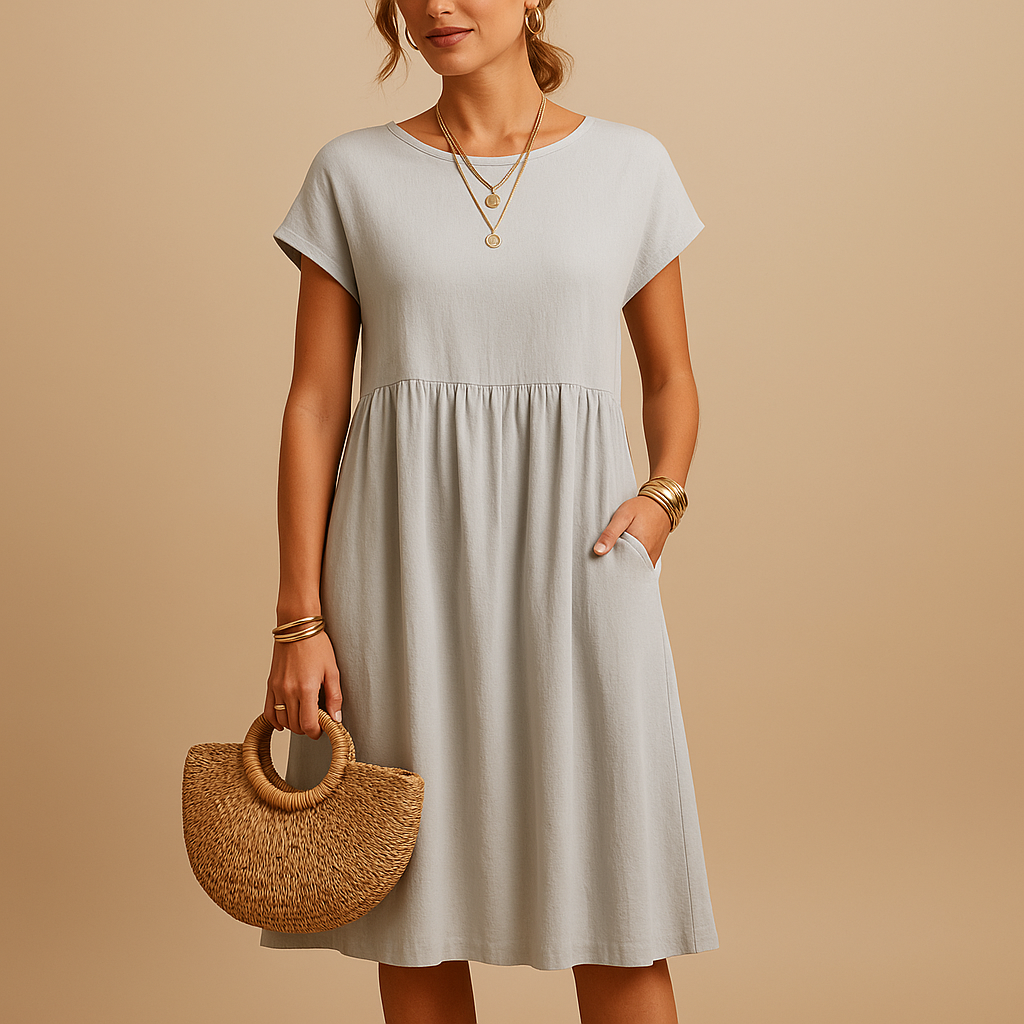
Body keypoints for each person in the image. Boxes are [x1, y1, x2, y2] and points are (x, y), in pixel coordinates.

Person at [258, 2, 719, 1021]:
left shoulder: (629, 164)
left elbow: (672, 376)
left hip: (582, 563)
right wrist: (298, 617)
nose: (437, 5)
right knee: (412, 906)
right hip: (399, 572)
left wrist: (662, 497)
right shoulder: (351, 173)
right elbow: (315, 403)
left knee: (616, 901)